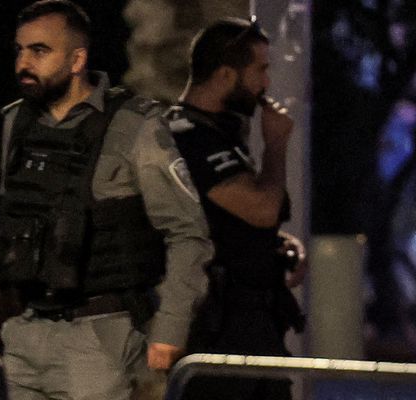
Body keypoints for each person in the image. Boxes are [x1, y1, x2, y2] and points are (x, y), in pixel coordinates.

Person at [0, 1, 214, 398]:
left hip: (100, 334)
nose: (23, 62)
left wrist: (170, 326)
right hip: (24, 332)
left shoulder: (135, 126)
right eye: (19, 50)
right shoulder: (15, 121)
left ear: (77, 60)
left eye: (39, 51)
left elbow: (187, 232)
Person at [165, 17, 308, 400]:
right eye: (260, 69)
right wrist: (276, 145)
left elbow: (232, 222)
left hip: (253, 328)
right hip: (220, 331)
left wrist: (276, 245)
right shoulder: (188, 136)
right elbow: (261, 207)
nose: (266, 83)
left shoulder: (219, 132)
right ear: (227, 75)